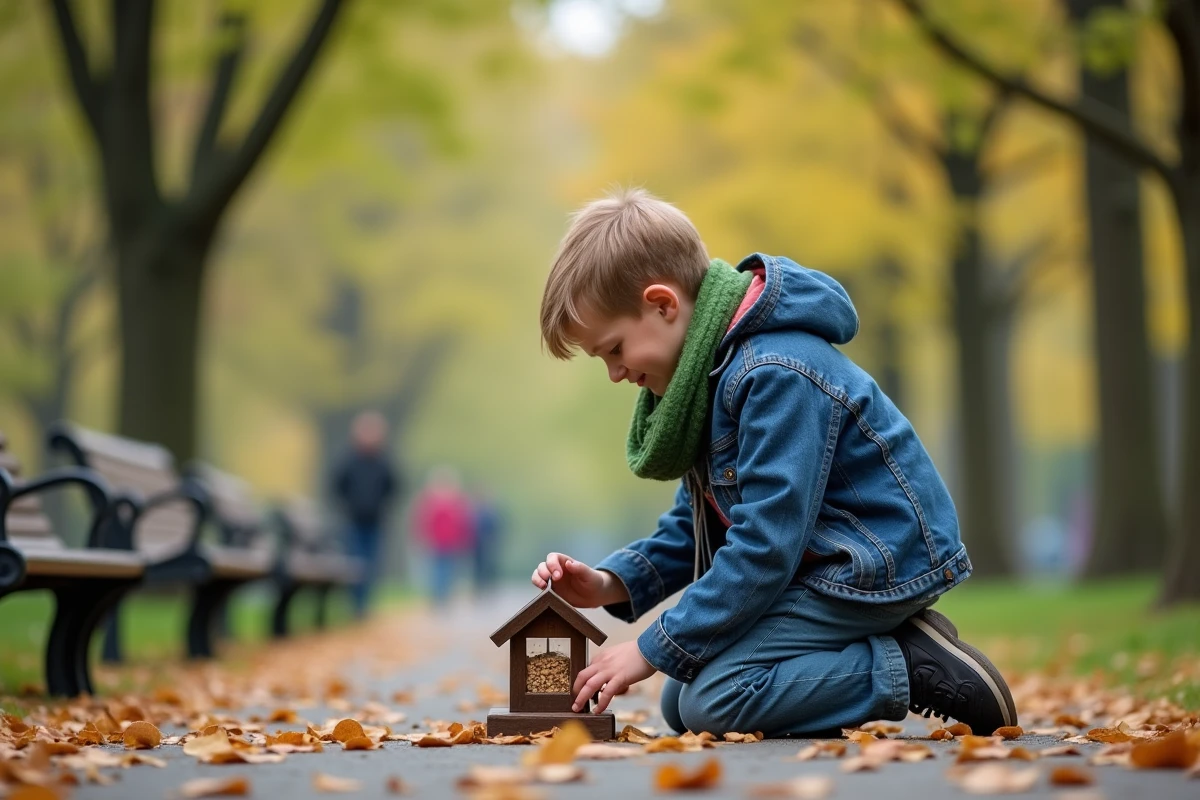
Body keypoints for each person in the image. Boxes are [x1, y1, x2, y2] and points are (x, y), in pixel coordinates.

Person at [530, 188, 1017, 738]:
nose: (615, 373)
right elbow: (700, 524)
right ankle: (871, 654)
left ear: (663, 305)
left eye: (615, 349)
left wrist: (649, 647)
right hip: (814, 566)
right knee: (680, 700)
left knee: (715, 699)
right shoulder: (706, 378)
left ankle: (908, 666)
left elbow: (766, 542)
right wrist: (607, 583)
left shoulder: (772, 373)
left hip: (871, 565)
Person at [332, 411, 400, 618]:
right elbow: (337, 485)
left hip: (375, 521)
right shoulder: (349, 460)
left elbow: (394, 486)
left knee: (371, 563)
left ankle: (364, 604)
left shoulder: (384, 462)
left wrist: (382, 505)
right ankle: (355, 603)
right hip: (353, 520)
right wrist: (348, 505)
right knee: (354, 563)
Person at [411, 467, 475, 606]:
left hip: (451, 542)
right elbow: (422, 522)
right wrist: (422, 538)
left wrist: (464, 540)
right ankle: (438, 595)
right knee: (438, 569)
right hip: (436, 542)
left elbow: (464, 523)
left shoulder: (457, 502)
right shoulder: (430, 502)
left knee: (447, 569)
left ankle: (443, 594)